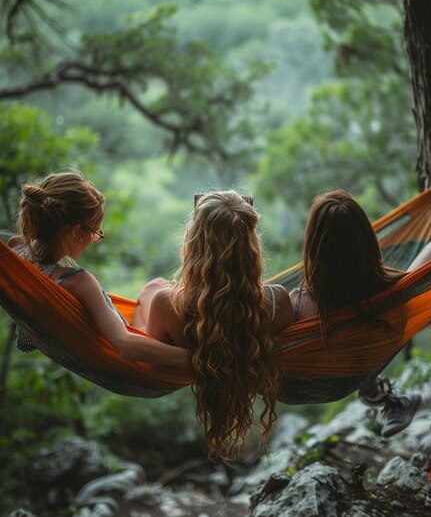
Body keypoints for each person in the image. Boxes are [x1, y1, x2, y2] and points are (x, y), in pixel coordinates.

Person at [139, 190, 295, 460]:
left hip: (172, 315)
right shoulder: (277, 300)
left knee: (154, 287)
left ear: (194, 242)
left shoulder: (166, 305)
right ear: (251, 245)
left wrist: (151, 296)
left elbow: (146, 347)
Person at [290, 189, 431, 438]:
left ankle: (389, 399)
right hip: (368, 357)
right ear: (367, 240)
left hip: (322, 382)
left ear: (312, 246)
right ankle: (389, 399)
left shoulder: (296, 305)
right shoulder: (394, 293)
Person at [9, 171, 189, 369]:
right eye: (95, 232)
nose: (94, 239)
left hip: (128, 331)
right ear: (76, 232)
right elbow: (126, 346)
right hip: (143, 355)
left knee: (155, 285)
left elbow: (26, 243)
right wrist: (199, 361)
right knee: (163, 297)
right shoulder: (79, 281)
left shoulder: (15, 253)